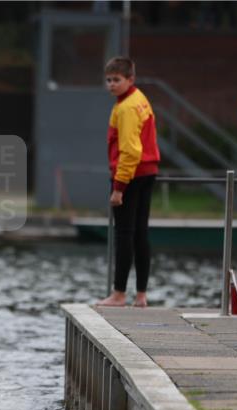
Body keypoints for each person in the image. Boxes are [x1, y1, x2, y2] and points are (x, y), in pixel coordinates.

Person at [95, 56, 160, 308]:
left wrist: (119, 187)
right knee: (140, 233)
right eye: (108, 80)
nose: (111, 84)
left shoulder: (126, 108)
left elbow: (130, 150)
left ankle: (119, 293)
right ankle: (141, 295)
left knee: (124, 234)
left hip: (130, 175)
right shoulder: (140, 98)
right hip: (148, 172)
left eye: (116, 80)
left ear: (130, 79)